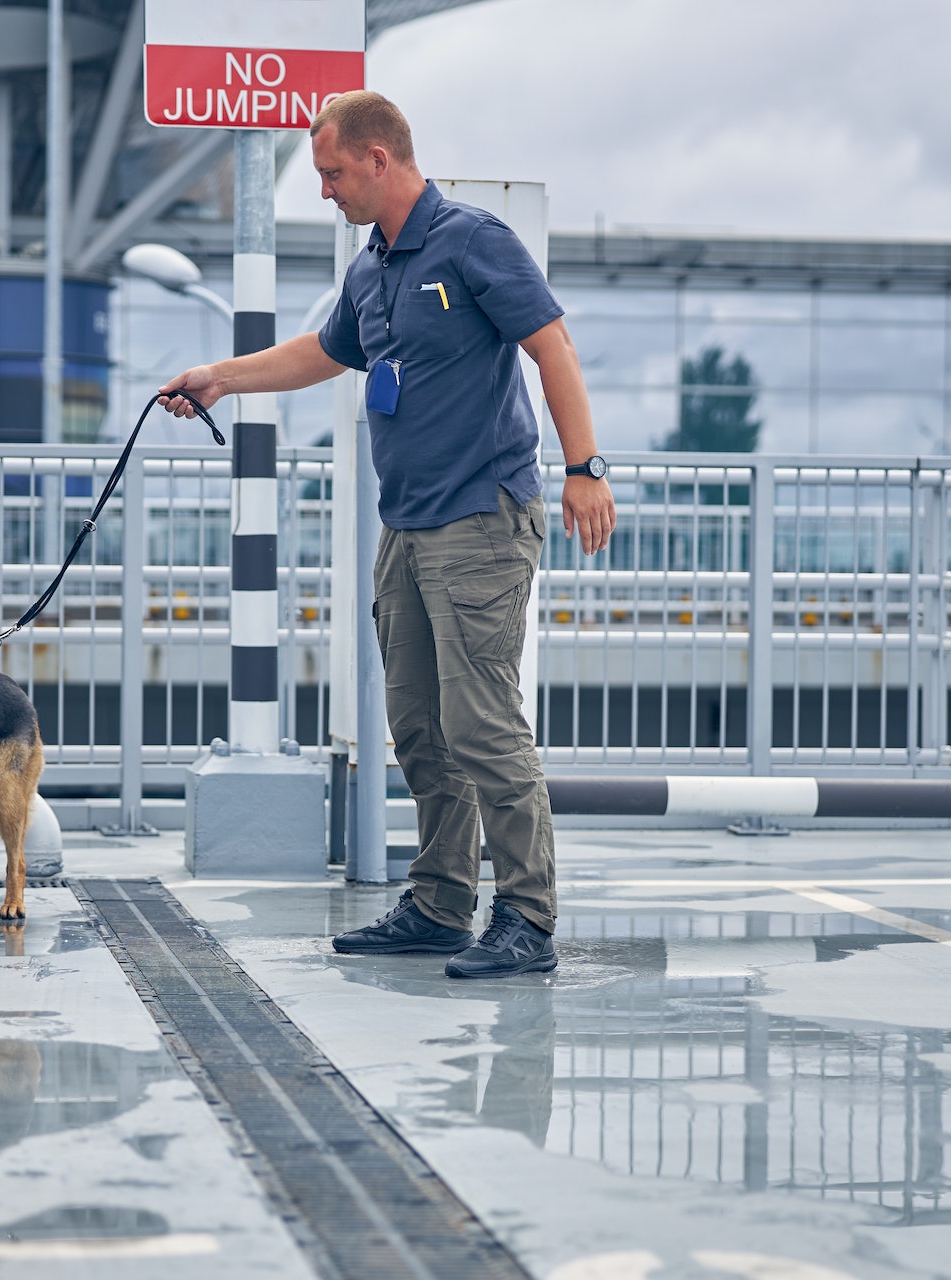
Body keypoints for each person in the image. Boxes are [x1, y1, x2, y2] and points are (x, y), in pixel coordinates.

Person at [158, 90, 615, 979]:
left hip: (481, 519)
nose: (324, 189)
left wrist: (584, 468)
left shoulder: (472, 239)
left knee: (483, 726)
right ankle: (442, 902)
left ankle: (527, 915)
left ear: (379, 158)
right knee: (417, 729)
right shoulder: (369, 269)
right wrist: (219, 375)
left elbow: (551, 344)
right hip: (405, 529)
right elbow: (319, 353)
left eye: (331, 172)